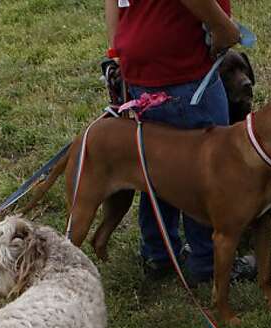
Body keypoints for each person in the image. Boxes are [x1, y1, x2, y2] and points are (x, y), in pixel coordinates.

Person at [103, 0, 255, 285]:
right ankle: (207, 262)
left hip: (141, 67)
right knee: (208, 171)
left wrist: (118, 49)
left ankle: (158, 255)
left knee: (158, 167)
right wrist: (224, 29)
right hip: (183, 68)